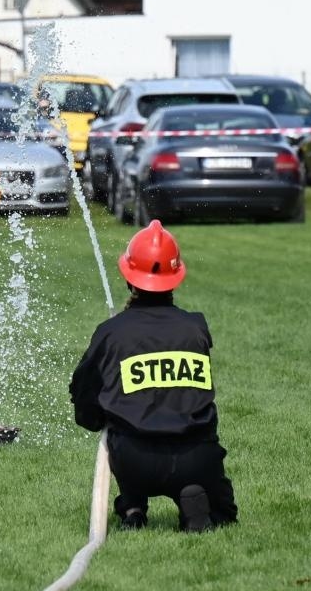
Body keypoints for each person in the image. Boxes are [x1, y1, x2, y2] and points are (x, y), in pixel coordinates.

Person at [69, 220, 238, 532]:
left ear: (129, 278)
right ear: (175, 279)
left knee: (125, 430)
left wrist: (96, 419)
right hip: (197, 457)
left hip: (135, 461)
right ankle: (192, 497)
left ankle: (133, 506)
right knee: (224, 517)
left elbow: (84, 394)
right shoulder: (195, 328)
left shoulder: (112, 333)